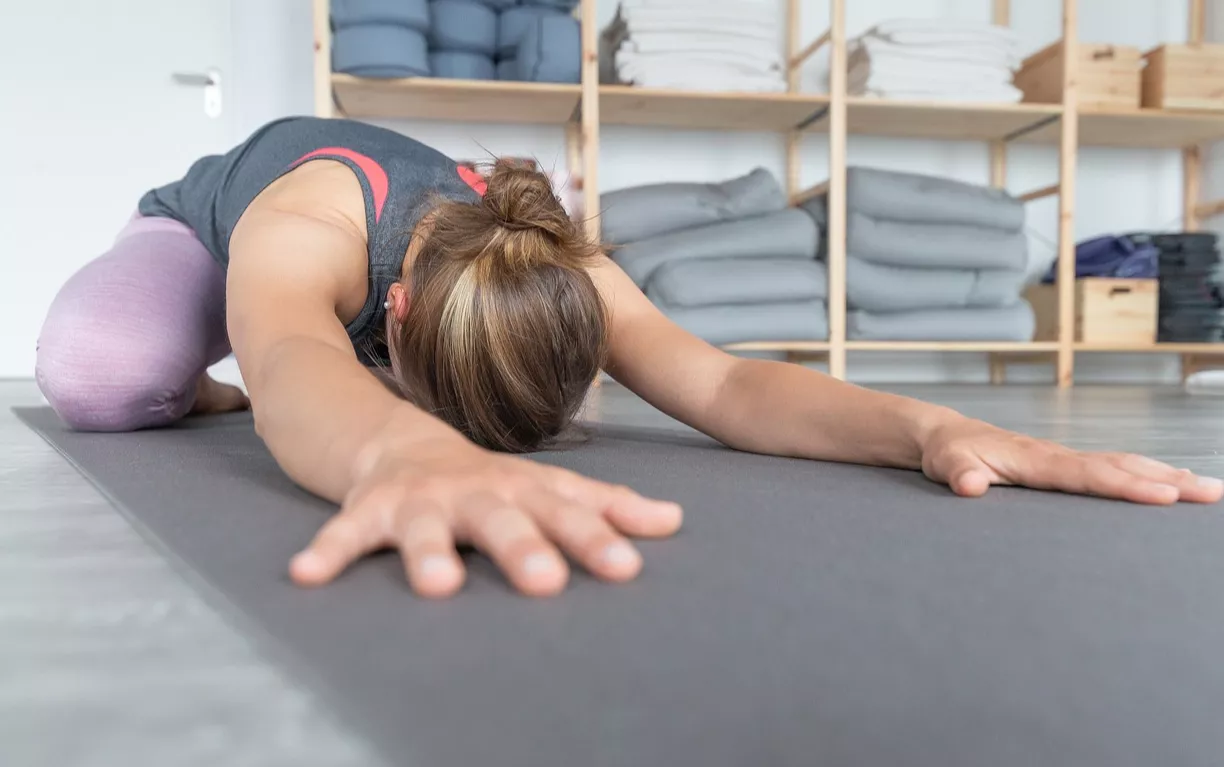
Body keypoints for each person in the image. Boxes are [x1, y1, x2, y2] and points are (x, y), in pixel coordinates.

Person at [34, 116, 1223, 600]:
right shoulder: (309, 232)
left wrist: (926, 426)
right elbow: (294, 354)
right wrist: (400, 449)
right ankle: (205, 373)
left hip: (412, 298)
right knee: (101, 375)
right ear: (392, 312)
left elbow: (723, 381)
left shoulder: (561, 262)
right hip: (202, 231)